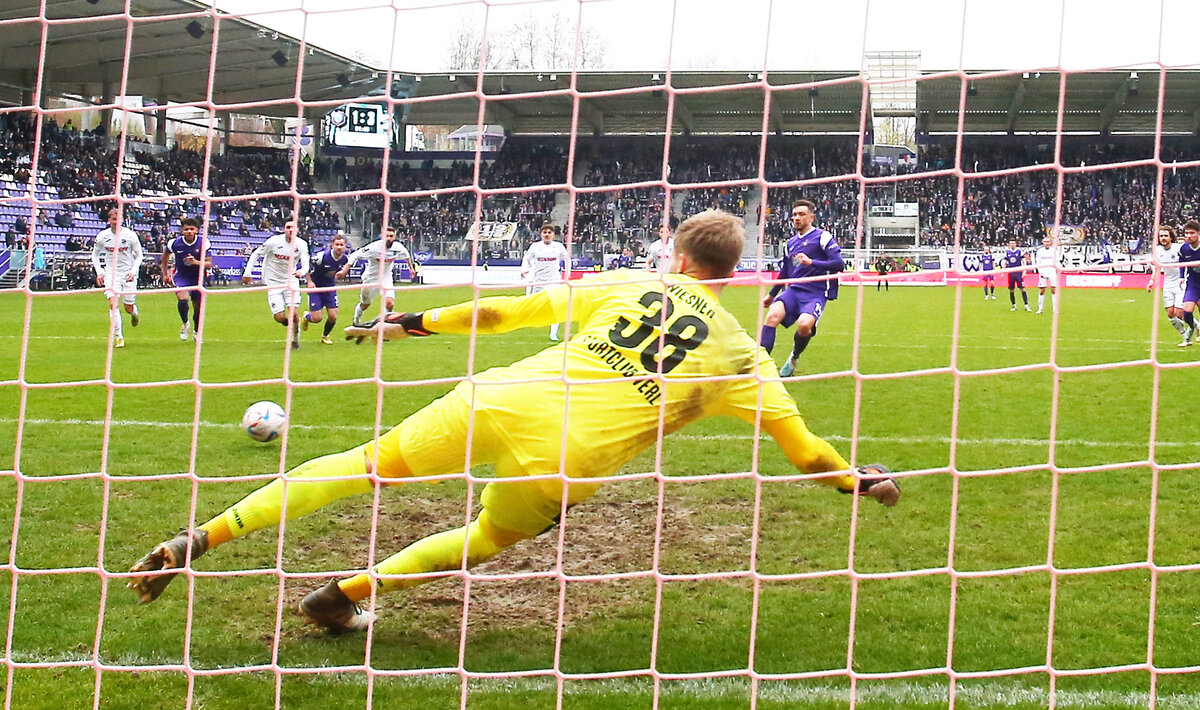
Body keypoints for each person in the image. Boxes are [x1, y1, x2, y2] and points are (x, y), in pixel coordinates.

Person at [126, 209, 901, 634]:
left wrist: (414, 323)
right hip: (566, 458)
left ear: (675, 256)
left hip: (501, 395)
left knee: (362, 466)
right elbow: (804, 452)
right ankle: (345, 592)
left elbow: (507, 312)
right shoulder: (742, 355)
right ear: (732, 272)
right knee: (484, 538)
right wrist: (856, 481)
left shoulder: (628, 281)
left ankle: (204, 537)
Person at [759, 199, 844, 378]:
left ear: (811, 217)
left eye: (801, 214)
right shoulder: (790, 243)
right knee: (772, 316)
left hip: (816, 293)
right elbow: (785, 272)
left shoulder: (822, 237)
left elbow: (839, 264)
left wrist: (811, 262)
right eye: (794, 215)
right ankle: (760, 366)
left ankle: (794, 358)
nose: (796, 218)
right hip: (793, 291)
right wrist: (772, 295)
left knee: (804, 325)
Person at [241, 220, 309, 350]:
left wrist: (302, 271)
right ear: (284, 229)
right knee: (279, 317)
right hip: (273, 282)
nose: (290, 230)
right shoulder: (274, 241)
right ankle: (291, 324)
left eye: (293, 227)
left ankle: (295, 341)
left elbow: (306, 263)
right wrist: (247, 272)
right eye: (288, 227)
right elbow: (256, 253)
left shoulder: (301, 244)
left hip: (291, 281)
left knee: (294, 314)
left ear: (298, 230)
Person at [90, 207, 144, 349]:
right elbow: (95, 255)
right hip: (111, 274)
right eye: (113, 219)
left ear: (123, 220)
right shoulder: (103, 236)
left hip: (128, 274)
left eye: (118, 219)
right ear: (109, 220)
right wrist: (100, 272)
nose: (116, 221)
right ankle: (119, 337)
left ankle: (134, 313)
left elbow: (139, 256)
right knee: (113, 304)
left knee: (128, 307)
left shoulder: (130, 235)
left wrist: (133, 272)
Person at [348, 226, 415, 326]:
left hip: (386, 278)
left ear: (395, 237)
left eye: (391, 236)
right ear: (382, 236)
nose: (389, 238)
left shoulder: (398, 247)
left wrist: (411, 269)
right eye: (386, 236)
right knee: (365, 304)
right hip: (370, 279)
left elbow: (407, 256)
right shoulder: (373, 247)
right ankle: (356, 320)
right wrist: (346, 269)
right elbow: (355, 255)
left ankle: (386, 324)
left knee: (389, 303)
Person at [160, 217, 211, 342]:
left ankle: (197, 332)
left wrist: (195, 262)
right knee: (183, 299)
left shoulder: (203, 242)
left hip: (198, 278)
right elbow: (165, 255)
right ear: (182, 231)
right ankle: (185, 323)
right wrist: (165, 273)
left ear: (197, 230)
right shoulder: (175, 243)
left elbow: (209, 264)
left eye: (192, 229)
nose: (189, 231)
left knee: (198, 308)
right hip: (182, 276)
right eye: (186, 229)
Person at [520, 222, 570, 341]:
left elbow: (567, 260)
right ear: (541, 234)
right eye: (545, 232)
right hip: (538, 281)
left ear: (553, 234)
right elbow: (526, 258)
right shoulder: (535, 247)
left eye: (549, 232)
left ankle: (553, 334)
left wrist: (567, 275)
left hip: (554, 281)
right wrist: (524, 269)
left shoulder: (558, 247)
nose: (547, 234)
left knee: (557, 307)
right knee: (533, 305)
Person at [302, 233, 351, 345]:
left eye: (341, 245)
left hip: (329, 288)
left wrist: (342, 273)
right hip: (316, 288)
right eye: (337, 244)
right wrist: (309, 281)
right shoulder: (321, 257)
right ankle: (306, 317)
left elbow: (345, 268)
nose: (339, 247)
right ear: (332, 245)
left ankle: (325, 336)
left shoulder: (345, 259)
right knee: (317, 318)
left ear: (345, 246)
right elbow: (306, 267)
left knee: (333, 316)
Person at [1147, 226, 1190, 346]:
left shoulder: (1178, 248)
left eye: (1166, 235)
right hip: (1168, 283)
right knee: (1170, 313)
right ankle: (1186, 337)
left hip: (1181, 282)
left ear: (1171, 237)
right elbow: (1156, 268)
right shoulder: (1157, 251)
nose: (1163, 238)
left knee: (1179, 313)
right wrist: (1151, 281)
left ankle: (1195, 326)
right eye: (1161, 236)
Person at [1178, 220, 1200, 343]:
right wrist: (1181, 276)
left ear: (1198, 233)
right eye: (1186, 233)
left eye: (1192, 233)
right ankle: (1193, 326)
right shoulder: (1184, 249)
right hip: (1193, 283)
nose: (1189, 236)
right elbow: (1181, 262)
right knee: (1186, 311)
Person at [1003, 239, 1032, 312]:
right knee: (1011, 290)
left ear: (1016, 244)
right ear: (1009, 244)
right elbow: (1004, 262)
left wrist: (1024, 271)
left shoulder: (1019, 252)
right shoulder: (1007, 252)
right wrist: (1003, 271)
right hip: (1011, 273)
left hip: (1018, 273)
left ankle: (1026, 305)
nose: (1012, 245)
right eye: (1011, 243)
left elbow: (1023, 261)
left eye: (1013, 243)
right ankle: (1014, 306)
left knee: (1023, 289)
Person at [1033, 234, 1059, 315]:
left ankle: (1055, 309)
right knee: (1042, 290)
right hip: (1043, 271)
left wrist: (1057, 270)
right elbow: (1038, 262)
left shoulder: (1054, 251)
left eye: (1048, 242)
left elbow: (1057, 261)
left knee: (1053, 289)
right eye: (1045, 242)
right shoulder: (1040, 251)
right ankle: (1040, 308)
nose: (1046, 243)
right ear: (1043, 242)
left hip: (1052, 271)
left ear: (1050, 243)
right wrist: (1040, 272)